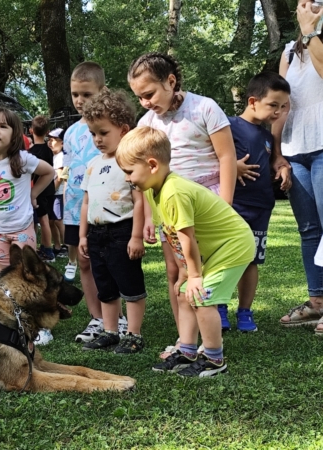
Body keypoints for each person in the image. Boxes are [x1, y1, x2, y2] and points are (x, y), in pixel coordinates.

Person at [118, 127, 254, 376]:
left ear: (151, 165)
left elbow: (187, 237)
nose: (127, 178)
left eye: (129, 171)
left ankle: (214, 359)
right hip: (213, 248)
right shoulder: (152, 189)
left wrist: (194, 275)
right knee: (183, 293)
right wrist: (183, 272)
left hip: (233, 245)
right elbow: (172, 236)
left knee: (201, 297)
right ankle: (187, 350)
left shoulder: (174, 192)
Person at [128, 52, 237, 354]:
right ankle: (185, 341)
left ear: (171, 81)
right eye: (139, 97)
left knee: (204, 270)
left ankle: (210, 337)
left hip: (207, 202)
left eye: (148, 94)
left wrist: (225, 202)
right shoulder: (146, 123)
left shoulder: (204, 108)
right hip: (170, 209)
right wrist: (149, 217)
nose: (145, 102)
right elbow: (147, 177)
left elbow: (227, 157)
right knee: (177, 273)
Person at [78, 89, 148, 354]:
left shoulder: (130, 163)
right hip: (96, 233)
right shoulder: (93, 165)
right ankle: (110, 331)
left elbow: (140, 200)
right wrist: (84, 236)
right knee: (105, 286)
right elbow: (86, 202)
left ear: (123, 129)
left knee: (129, 284)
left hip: (122, 231)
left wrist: (136, 236)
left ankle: (134, 334)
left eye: (104, 133)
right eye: (93, 134)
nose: (97, 139)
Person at [63, 62, 123, 344]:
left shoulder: (115, 131)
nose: (79, 100)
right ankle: (96, 318)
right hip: (76, 208)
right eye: (75, 94)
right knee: (85, 263)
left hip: (107, 211)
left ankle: (117, 317)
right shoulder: (71, 133)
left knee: (110, 262)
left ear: (103, 91)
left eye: (86, 95)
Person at [228, 72, 291, 333]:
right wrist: (232, 167)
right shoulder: (229, 126)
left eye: (283, 106)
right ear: (253, 101)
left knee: (252, 261)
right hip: (233, 205)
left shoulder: (267, 136)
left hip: (261, 206)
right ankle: (219, 306)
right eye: (273, 105)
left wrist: (282, 168)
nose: (278, 112)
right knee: (227, 258)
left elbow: (274, 160)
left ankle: (245, 311)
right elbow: (213, 158)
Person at [275, 0, 323, 335]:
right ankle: (318, 302)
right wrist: (276, 153)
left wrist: (312, 33)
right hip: (295, 151)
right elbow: (278, 105)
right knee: (309, 231)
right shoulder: (289, 53)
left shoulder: (313, 39)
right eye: (304, 2)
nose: (308, 6)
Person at [0, 107, 55, 269]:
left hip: (22, 229)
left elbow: (49, 172)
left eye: (3, 126)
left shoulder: (23, 159)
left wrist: (33, 194)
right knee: (4, 275)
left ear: (14, 134)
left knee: (26, 273)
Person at [28, 115, 56, 263]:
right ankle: (44, 247)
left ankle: (48, 250)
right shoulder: (48, 150)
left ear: (31, 130)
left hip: (39, 191)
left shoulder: (31, 153)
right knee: (44, 220)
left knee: (42, 220)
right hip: (50, 188)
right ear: (47, 132)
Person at [48, 127, 67, 258]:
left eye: (53, 140)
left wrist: (50, 192)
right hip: (52, 193)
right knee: (51, 221)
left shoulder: (61, 157)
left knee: (58, 221)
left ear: (62, 143)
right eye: (49, 140)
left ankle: (67, 245)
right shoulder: (53, 156)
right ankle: (57, 245)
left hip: (57, 194)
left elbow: (59, 178)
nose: (50, 143)